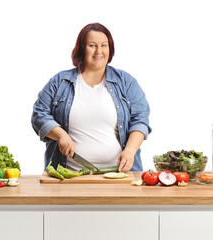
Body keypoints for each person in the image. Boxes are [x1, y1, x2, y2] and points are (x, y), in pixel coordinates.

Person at [31, 23, 151, 172]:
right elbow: (39, 115)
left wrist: (130, 151)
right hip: (69, 175)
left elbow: (140, 120)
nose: (98, 51)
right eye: (92, 45)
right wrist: (61, 135)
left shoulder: (127, 82)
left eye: (104, 45)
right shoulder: (59, 82)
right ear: (82, 48)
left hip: (119, 175)